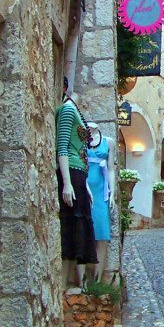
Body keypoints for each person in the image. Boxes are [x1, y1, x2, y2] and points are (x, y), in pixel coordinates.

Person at [55, 87, 97, 286]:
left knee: (77, 229)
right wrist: (66, 183)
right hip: (71, 172)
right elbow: (62, 146)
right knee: (71, 227)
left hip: (79, 176)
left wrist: (84, 184)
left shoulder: (72, 109)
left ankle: (68, 284)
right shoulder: (68, 110)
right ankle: (63, 284)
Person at [86, 122, 114, 280]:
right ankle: (82, 279)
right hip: (85, 189)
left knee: (102, 235)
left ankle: (97, 279)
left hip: (102, 190)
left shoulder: (108, 141)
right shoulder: (82, 140)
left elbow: (111, 169)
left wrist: (112, 193)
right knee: (85, 233)